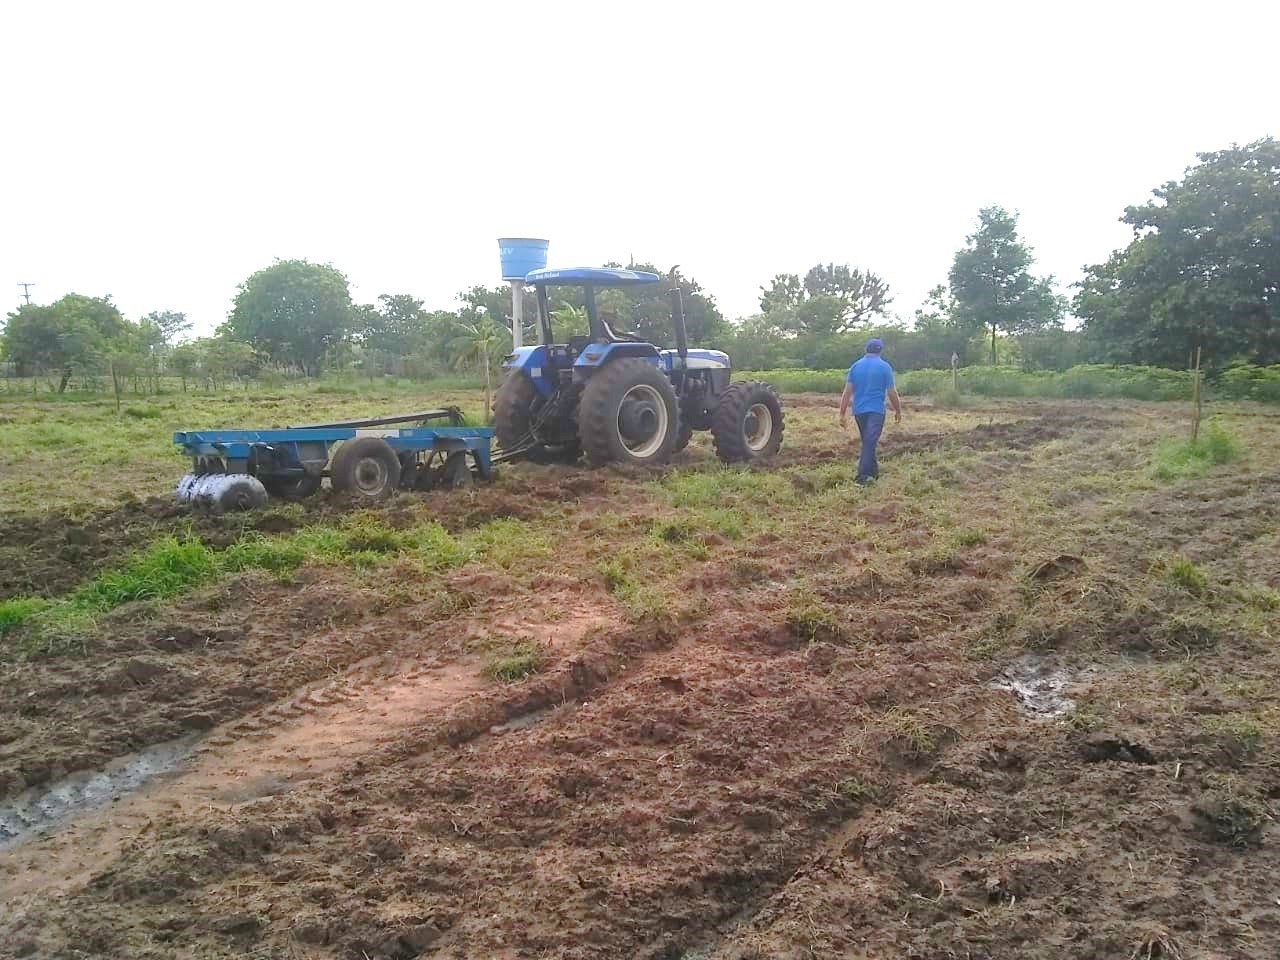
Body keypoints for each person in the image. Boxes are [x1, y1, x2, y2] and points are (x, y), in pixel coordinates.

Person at [839, 338, 902, 484]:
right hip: (876, 411)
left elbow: (847, 392)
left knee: (868, 441)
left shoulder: (855, 366)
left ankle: (874, 474)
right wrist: (898, 410)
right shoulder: (885, 367)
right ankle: (862, 477)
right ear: (880, 350)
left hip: (859, 411)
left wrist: (842, 413)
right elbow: (892, 392)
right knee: (869, 442)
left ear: (866, 349)